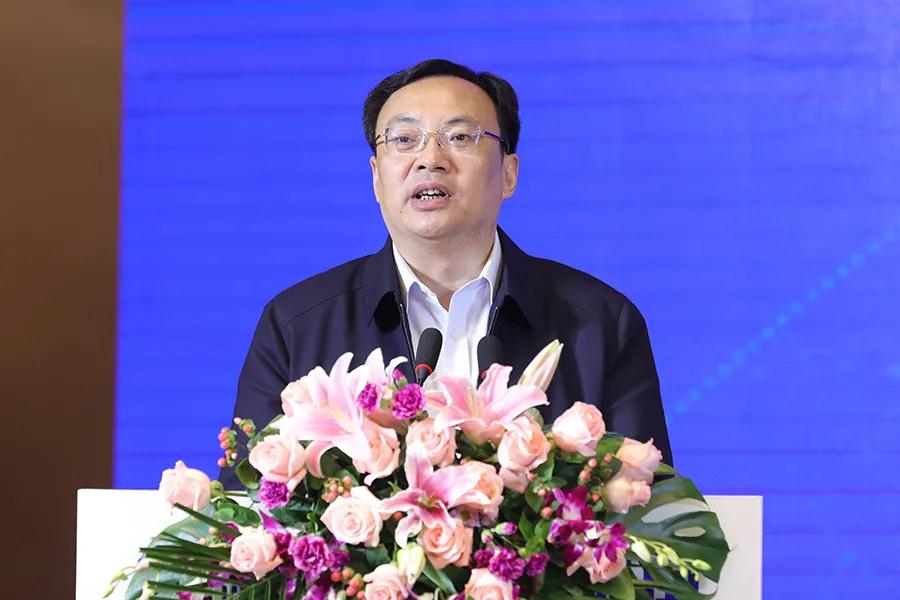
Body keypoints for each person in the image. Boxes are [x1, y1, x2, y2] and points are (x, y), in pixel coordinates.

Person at [223, 59, 671, 487]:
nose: (430, 158)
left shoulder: (600, 324)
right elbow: (244, 512)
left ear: (508, 173)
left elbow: (653, 512)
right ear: (376, 178)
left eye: (460, 137)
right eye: (404, 139)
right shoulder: (296, 325)